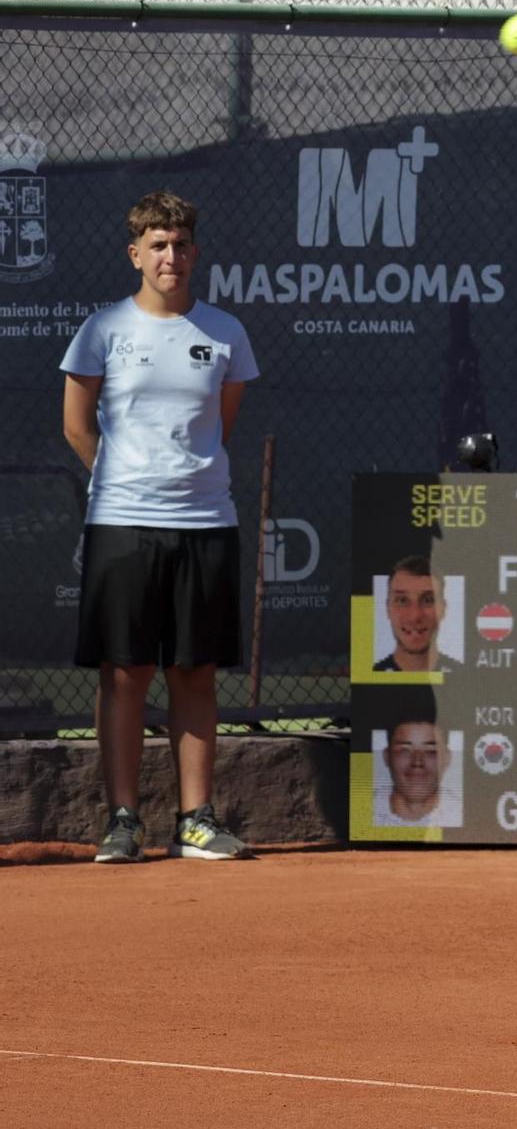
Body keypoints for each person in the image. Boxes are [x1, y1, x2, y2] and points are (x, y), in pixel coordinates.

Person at [60, 190, 258, 863]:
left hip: (207, 520)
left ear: (194, 252)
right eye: (157, 245)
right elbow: (76, 424)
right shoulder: (103, 329)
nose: (170, 256)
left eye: (180, 244)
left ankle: (196, 820)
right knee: (124, 672)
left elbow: (220, 425)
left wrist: (180, 474)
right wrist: (123, 478)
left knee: (195, 670)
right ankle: (123, 819)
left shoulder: (226, 332)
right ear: (135, 253)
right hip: (121, 521)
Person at [373, 692, 461, 829]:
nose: (417, 762)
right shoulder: (366, 811)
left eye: (431, 751)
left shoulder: (463, 813)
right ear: (387, 756)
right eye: (404, 750)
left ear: (447, 758)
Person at [373, 554, 462, 674]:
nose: (415, 616)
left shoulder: (465, 677)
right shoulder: (371, 678)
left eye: (428, 600)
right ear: (387, 608)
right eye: (402, 601)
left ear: (443, 608)